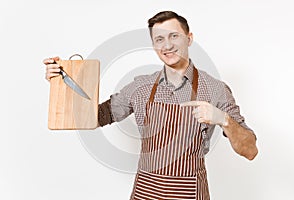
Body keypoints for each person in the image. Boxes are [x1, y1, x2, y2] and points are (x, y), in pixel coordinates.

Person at [43, 11, 258, 200]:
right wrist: (62, 84)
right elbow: (92, 118)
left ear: (189, 38)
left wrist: (223, 119)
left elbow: (250, 150)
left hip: (190, 194)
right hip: (145, 193)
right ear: (154, 45)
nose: (167, 45)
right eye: (159, 39)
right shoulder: (141, 86)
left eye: (174, 36)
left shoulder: (214, 89)